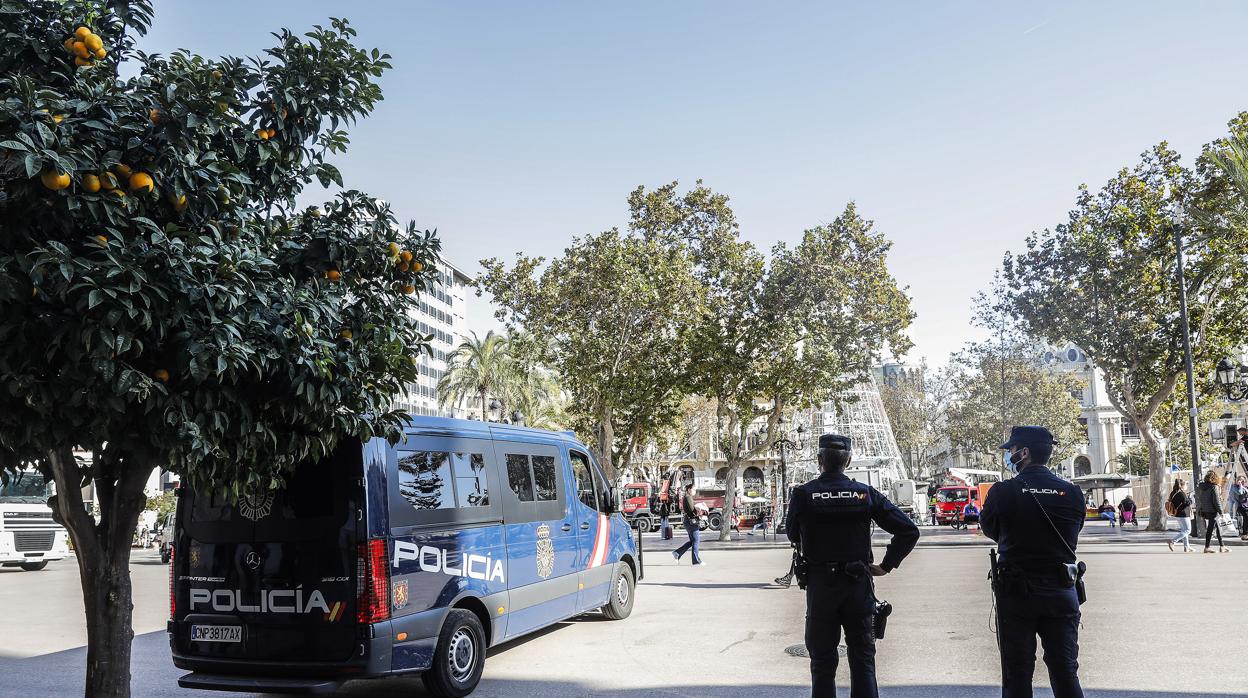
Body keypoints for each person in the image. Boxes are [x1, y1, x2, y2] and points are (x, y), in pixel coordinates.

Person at [786, 434, 920, 698]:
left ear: (819, 460)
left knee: (822, 663)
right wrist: (886, 564)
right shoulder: (864, 493)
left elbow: (792, 533)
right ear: (848, 461)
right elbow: (908, 530)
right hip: (858, 584)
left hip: (821, 587)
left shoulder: (803, 494)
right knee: (863, 660)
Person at [981, 426, 1086, 698]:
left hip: (1017, 596)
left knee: (1016, 674)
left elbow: (991, 530)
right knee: (1065, 671)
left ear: (1024, 453)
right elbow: (1074, 531)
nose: (1009, 456)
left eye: (1012, 451)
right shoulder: (1072, 493)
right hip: (1062, 591)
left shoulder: (1003, 492)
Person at [1195, 471, 1230, 554]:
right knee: (1210, 529)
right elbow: (1216, 501)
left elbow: (1202, 499)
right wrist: (1221, 512)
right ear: (1215, 478)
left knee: (1218, 528)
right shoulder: (1214, 487)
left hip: (1205, 510)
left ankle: (1222, 546)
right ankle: (1207, 547)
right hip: (1213, 511)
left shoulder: (1202, 487)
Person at [671, 483, 704, 565]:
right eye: (694, 489)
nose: (695, 491)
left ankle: (677, 553)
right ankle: (696, 560)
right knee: (696, 540)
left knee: (693, 541)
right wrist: (700, 510)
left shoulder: (687, 497)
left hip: (688, 521)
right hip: (691, 522)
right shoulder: (688, 497)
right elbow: (691, 510)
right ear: (689, 489)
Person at [1167, 479, 1193, 552]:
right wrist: (1190, 498)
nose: (1186, 486)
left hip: (1177, 514)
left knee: (1184, 530)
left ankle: (1186, 547)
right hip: (1183, 514)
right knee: (1188, 530)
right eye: (1185, 484)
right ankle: (1172, 541)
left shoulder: (1173, 492)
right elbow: (1187, 503)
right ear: (1181, 486)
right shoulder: (1181, 493)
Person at [1232, 476, 1248, 541]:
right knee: (1246, 517)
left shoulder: (1246, 487)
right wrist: (1240, 485)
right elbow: (1240, 492)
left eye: (1243, 480)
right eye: (1240, 480)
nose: (1242, 481)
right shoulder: (1235, 487)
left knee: (1246, 519)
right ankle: (1244, 534)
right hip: (1240, 506)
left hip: (1246, 505)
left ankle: (1245, 534)